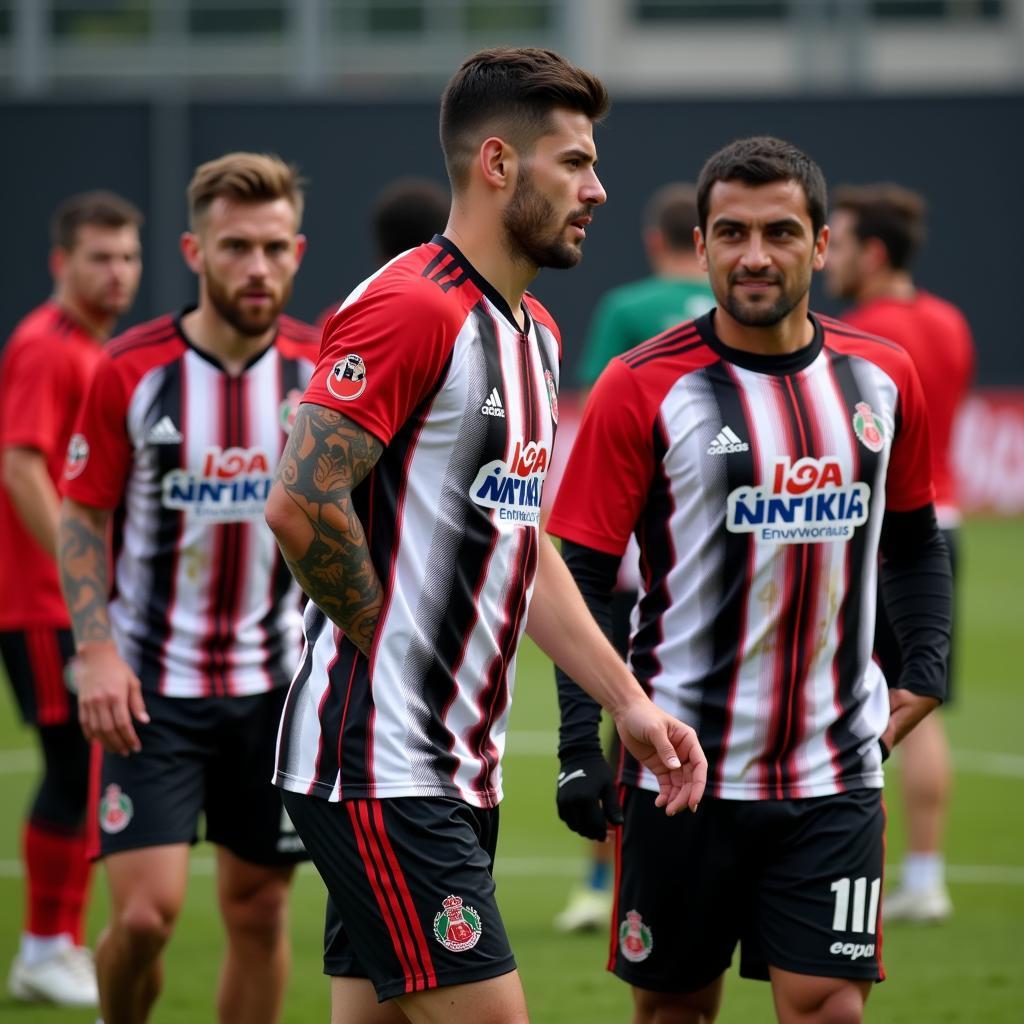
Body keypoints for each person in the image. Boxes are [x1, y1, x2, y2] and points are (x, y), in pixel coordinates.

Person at [263, 47, 707, 1024]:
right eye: (574, 162)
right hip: (380, 759)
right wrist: (395, 651)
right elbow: (299, 499)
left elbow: (522, 544)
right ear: (497, 164)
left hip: (455, 759)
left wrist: (624, 700)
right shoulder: (410, 307)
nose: (597, 189)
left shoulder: (535, 332)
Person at [547, 136, 952, 1023]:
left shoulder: (884, 379)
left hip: (833, 769)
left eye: (779, 232)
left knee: (829, 1009)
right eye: (731, 233)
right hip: (679, 772)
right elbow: (577, 573)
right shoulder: (641, 387)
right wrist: (586, 742)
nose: (755, 255)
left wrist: (926, 667)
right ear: (700, 245)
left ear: (823, 242)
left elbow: (918, 538)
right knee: (675, 1013)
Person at [57, 152, 318, 1024]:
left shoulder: (322, 372)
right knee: (143, 916)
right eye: (235, 246)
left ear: (298, 251)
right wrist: (94, 651)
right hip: (149, 690)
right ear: (194, 251)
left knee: (259, 909)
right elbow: (82, 516)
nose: (257, 267)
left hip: (278, 691)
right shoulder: (128, 370)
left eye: (274, 247)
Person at [555, 182, 717, 934]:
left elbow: (590, 417)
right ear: (704, 241)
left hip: (621, 568)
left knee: (625, 716)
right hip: (693, 572)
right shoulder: (726, 325)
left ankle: (602, 879)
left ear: (656, 242)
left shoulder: (625, 308)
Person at [0, 190, 143, 1007]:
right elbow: (21, 465)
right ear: (62, 264)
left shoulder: (93, 349)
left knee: (85, 764)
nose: (117, 273)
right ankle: (45, 946)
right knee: (77, 766)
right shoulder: (47, 347)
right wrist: (79, 574)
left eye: (127, 257)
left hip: (69, 601)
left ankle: (53, 944)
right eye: (100, 258)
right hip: (46, 602)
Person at [826, 184, 975, 924]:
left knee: (862, 700)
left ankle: (859, 875)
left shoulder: (864, 334)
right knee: (924, 700)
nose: (829, 260)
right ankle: (926, 875)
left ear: (872, 253)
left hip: (887, 533)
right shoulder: (949, 322)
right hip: (945, 521)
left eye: (841, 243)